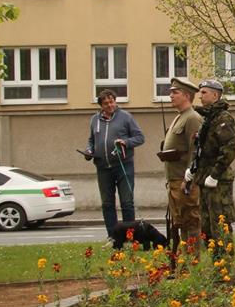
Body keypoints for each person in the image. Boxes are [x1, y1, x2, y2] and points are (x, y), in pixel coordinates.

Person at [186, 79, 235, 252]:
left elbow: (230, 149)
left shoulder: (224, 119)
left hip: (219, 181)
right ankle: (216, 262)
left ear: (215, 95)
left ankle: (225, 263)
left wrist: (215, 175)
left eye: (204, 93)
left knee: (220, 224)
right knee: (207, 226)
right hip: (205, 177)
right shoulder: (208, 119)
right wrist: (193, 169)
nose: (200, 96)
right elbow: (201, 148)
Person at [84, 89, 145, 239]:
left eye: (112, 102)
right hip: (103, 167)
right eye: (106, 103)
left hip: (124, 165)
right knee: (107, 203)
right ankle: (113, 236)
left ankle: (130, 236)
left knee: (127, 202)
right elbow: (91, 140)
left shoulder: (125, 117)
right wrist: (89, 150)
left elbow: (140, 137)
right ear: (101, 105)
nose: (110, 105)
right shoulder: (94, 120)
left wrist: (125, 142)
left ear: (115, 101)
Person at [160, 77, 203, 247]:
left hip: (184, 181)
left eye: (175, 92)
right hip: (175, 180)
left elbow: (195, 150)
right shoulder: (180, 117)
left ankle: (193, 259)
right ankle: (186, 258)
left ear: (186, 95)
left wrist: (189, 179)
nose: (171, 96)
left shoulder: (192, 118)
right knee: (181, 222)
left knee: (191, 221)